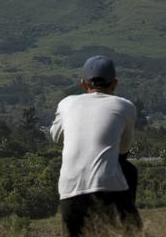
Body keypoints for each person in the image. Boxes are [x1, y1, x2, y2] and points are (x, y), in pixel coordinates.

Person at [51, 55, 141, 236]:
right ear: (114, 84)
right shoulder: (125, 106)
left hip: (70, 190)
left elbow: (55, 137)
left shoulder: (67, 103)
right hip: (109, 187)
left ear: (83, 84)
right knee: (129, 171)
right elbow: (123, 150)